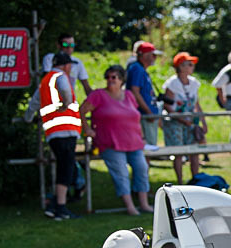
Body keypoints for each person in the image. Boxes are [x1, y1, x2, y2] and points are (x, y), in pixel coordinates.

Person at [79, 65, 152, 216]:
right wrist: (87, 129)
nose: (111, 80)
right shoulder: (98, 95)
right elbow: (82, 111)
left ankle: (144, 203)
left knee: (142, 169)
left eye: (114, 77)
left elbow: (136, 118)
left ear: (121, 80)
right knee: (121, 173)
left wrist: (142, 136)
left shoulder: (130, 95)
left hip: (134, 142)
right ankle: (130, 206)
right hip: (110, 143)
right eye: (108, 77)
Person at [30, 52, 81, 220]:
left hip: (52, 132)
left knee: (64, 168)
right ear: (66, 65)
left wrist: (27, 118)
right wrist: (65, 103)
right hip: (66, 130)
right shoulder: (60, 76)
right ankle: (60, 207)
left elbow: (33, 104)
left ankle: (53, 206)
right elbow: (66, 92)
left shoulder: (44, 81)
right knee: (65, 169)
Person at [162, 52, 207, 184]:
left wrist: (203, 121)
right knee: (179, 152)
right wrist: (181, 119)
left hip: (190, 121)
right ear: (180, 67)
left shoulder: (194, 83)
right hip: (175, 122)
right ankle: (180, 181)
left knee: (194, 150)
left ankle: (195, 180)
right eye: (189, 64)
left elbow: (196, 104)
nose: (192, 67)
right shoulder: (172, 83)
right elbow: (167, 105)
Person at [126, 42, 161, 148]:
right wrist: (148, 111)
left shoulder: (140, 69)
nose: (155, 58)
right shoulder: (137, 68)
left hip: (146, 115)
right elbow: (135, 91)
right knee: (147, 148)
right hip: (144, 115)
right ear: (144, 55)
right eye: (152, 55)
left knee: (149, 148)